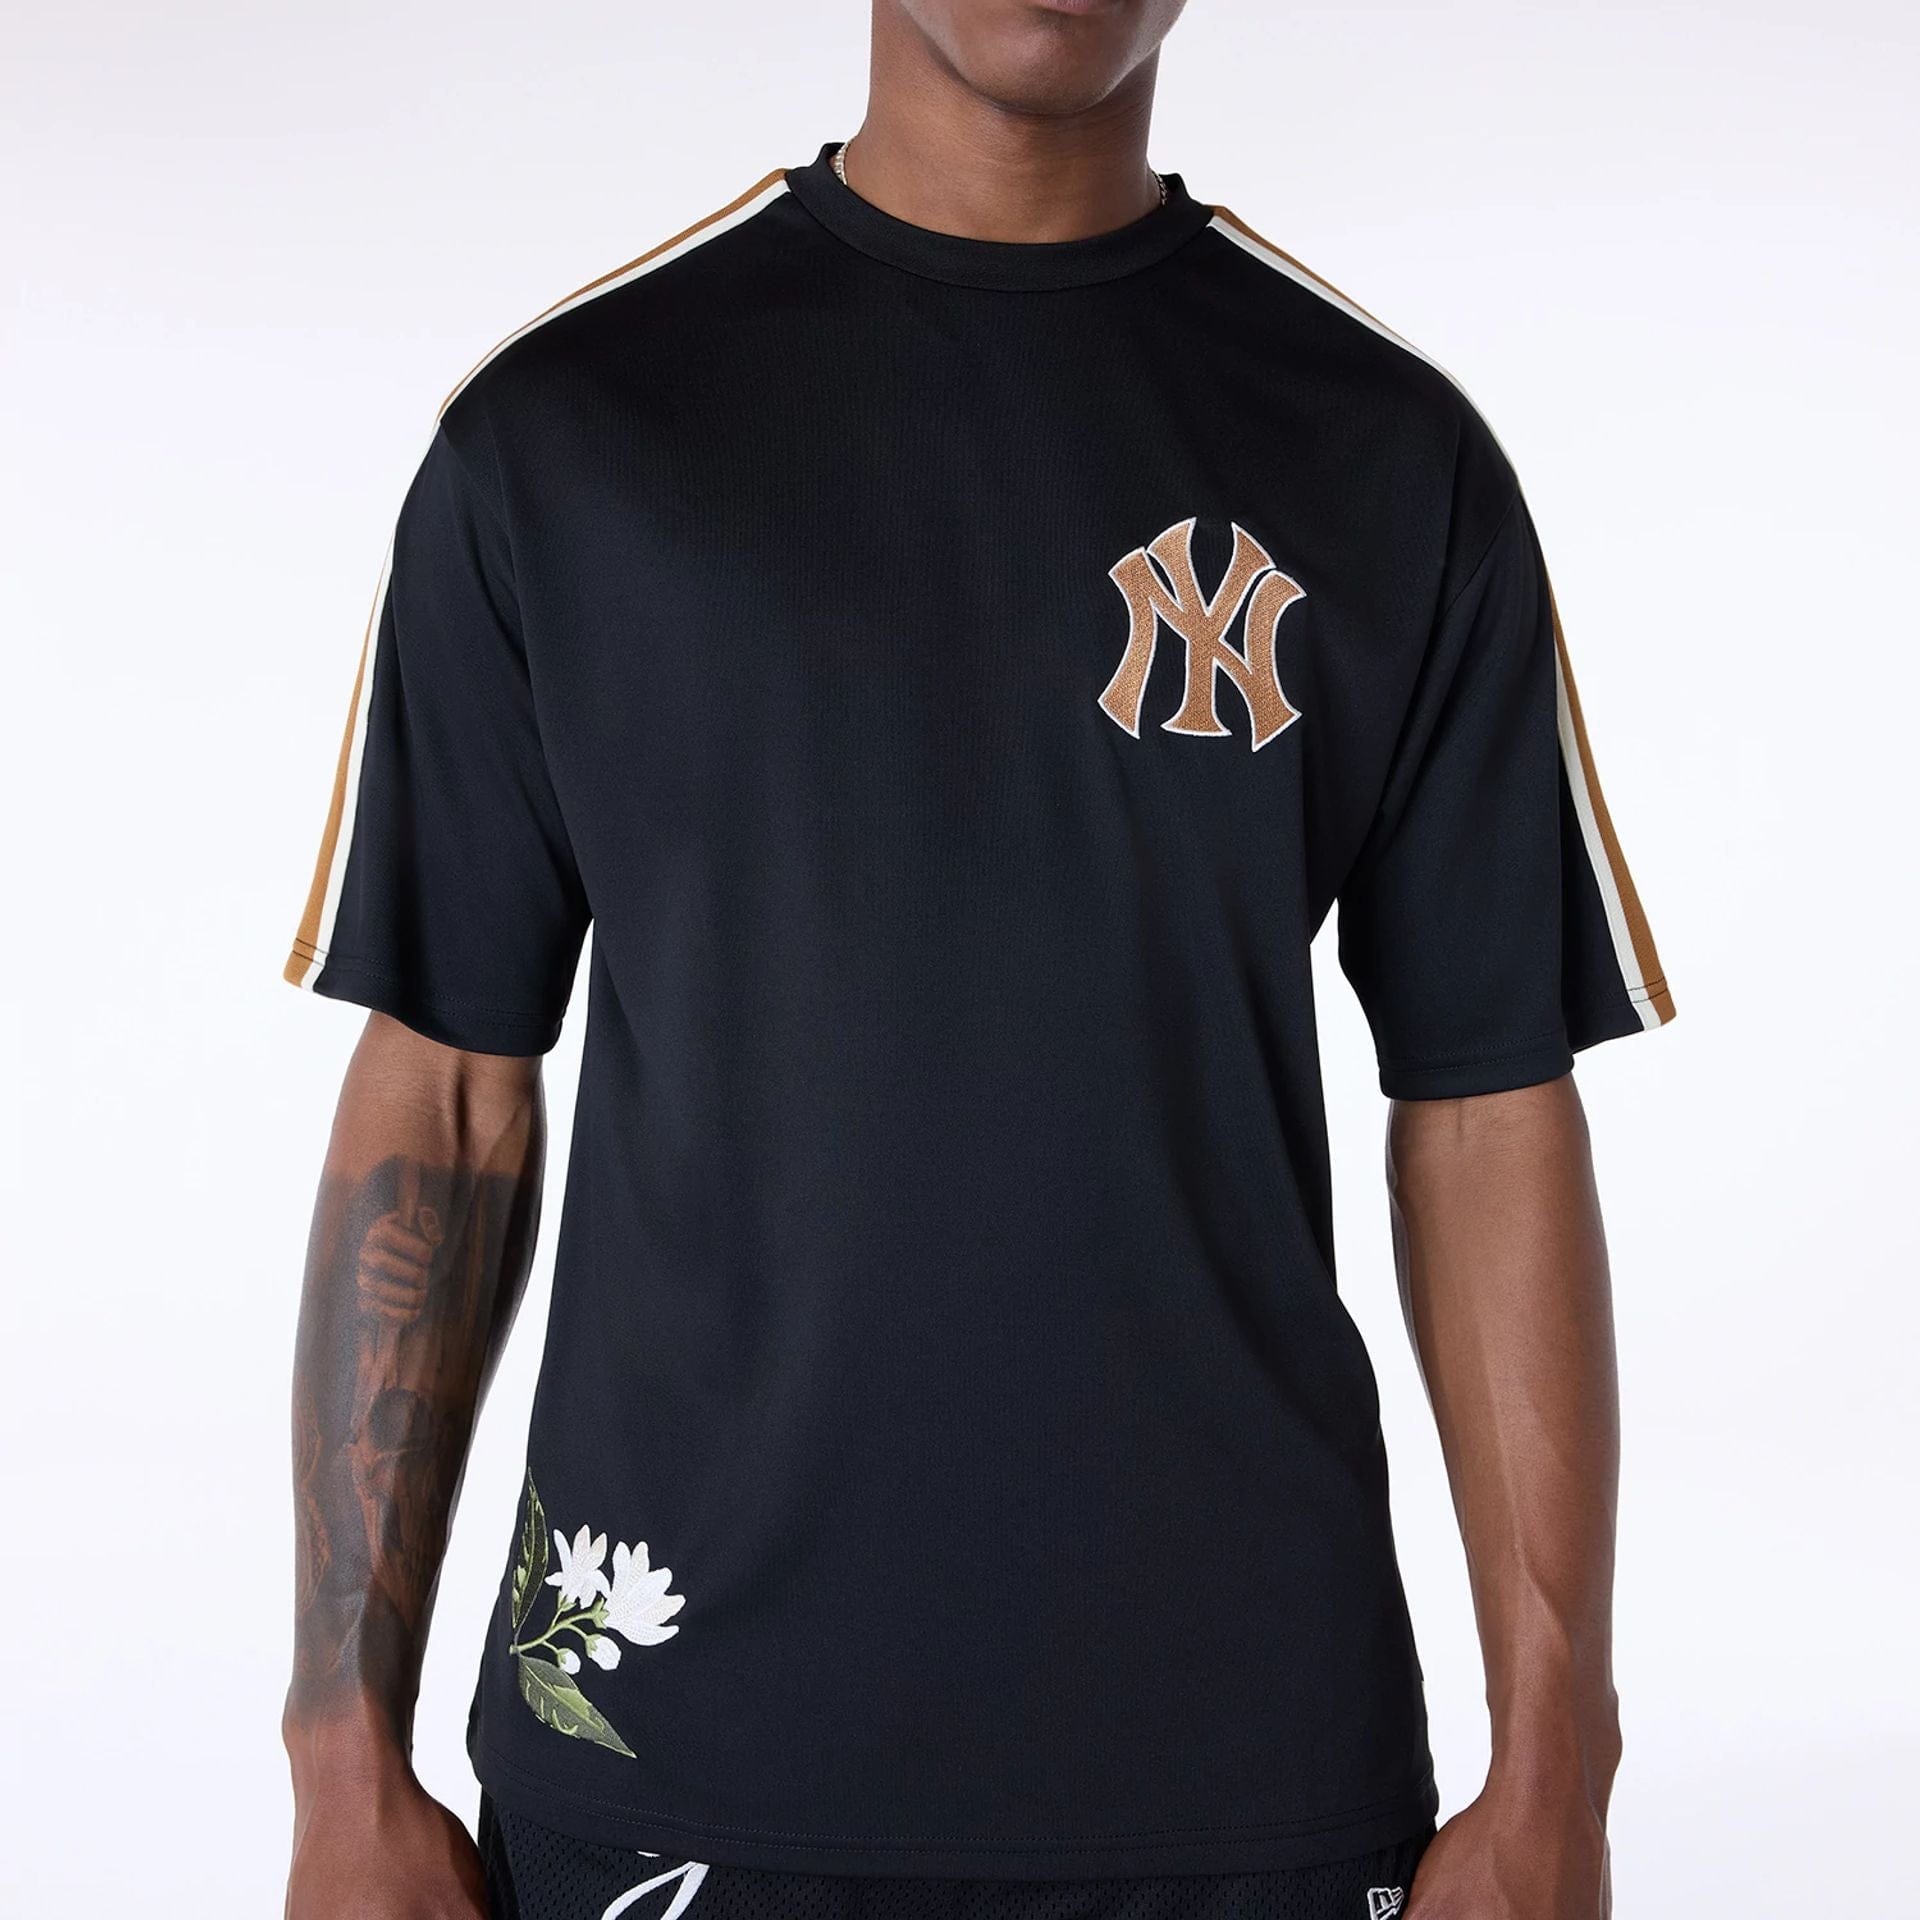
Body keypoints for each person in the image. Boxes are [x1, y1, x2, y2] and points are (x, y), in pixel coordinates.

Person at [279, 1, 1673, 1915]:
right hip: (670, 1762)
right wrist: (340, 1756)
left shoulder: (1387, 453)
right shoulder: (565, 432)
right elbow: (445, 1081)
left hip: (1246, 1779)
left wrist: (1559, 1775)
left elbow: (1490, 1100)